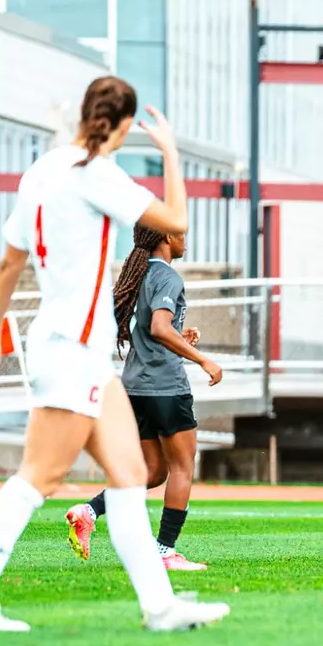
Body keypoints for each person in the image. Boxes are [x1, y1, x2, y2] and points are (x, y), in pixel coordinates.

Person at [0, 76, 229, 633]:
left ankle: (160, 606)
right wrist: (170, 152)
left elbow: (9, 264)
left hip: (76, 348)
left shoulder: (39, 171)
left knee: (127, 476)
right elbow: (177, 221)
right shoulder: (94, 172)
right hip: (74, 349)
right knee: (38, 478)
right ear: (119, 126)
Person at [64, 224, 225, 572]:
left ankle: (88, 512)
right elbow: (159, 328)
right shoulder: (168, 277)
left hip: (135, 386)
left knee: (151, 472)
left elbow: (151, 329)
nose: (186, 238)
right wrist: (203, 359)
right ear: (167, 239)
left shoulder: (138, 274)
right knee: (183, 466)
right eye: (181, 233)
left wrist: (180, 336)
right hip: (165, 386)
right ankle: (165, 551)